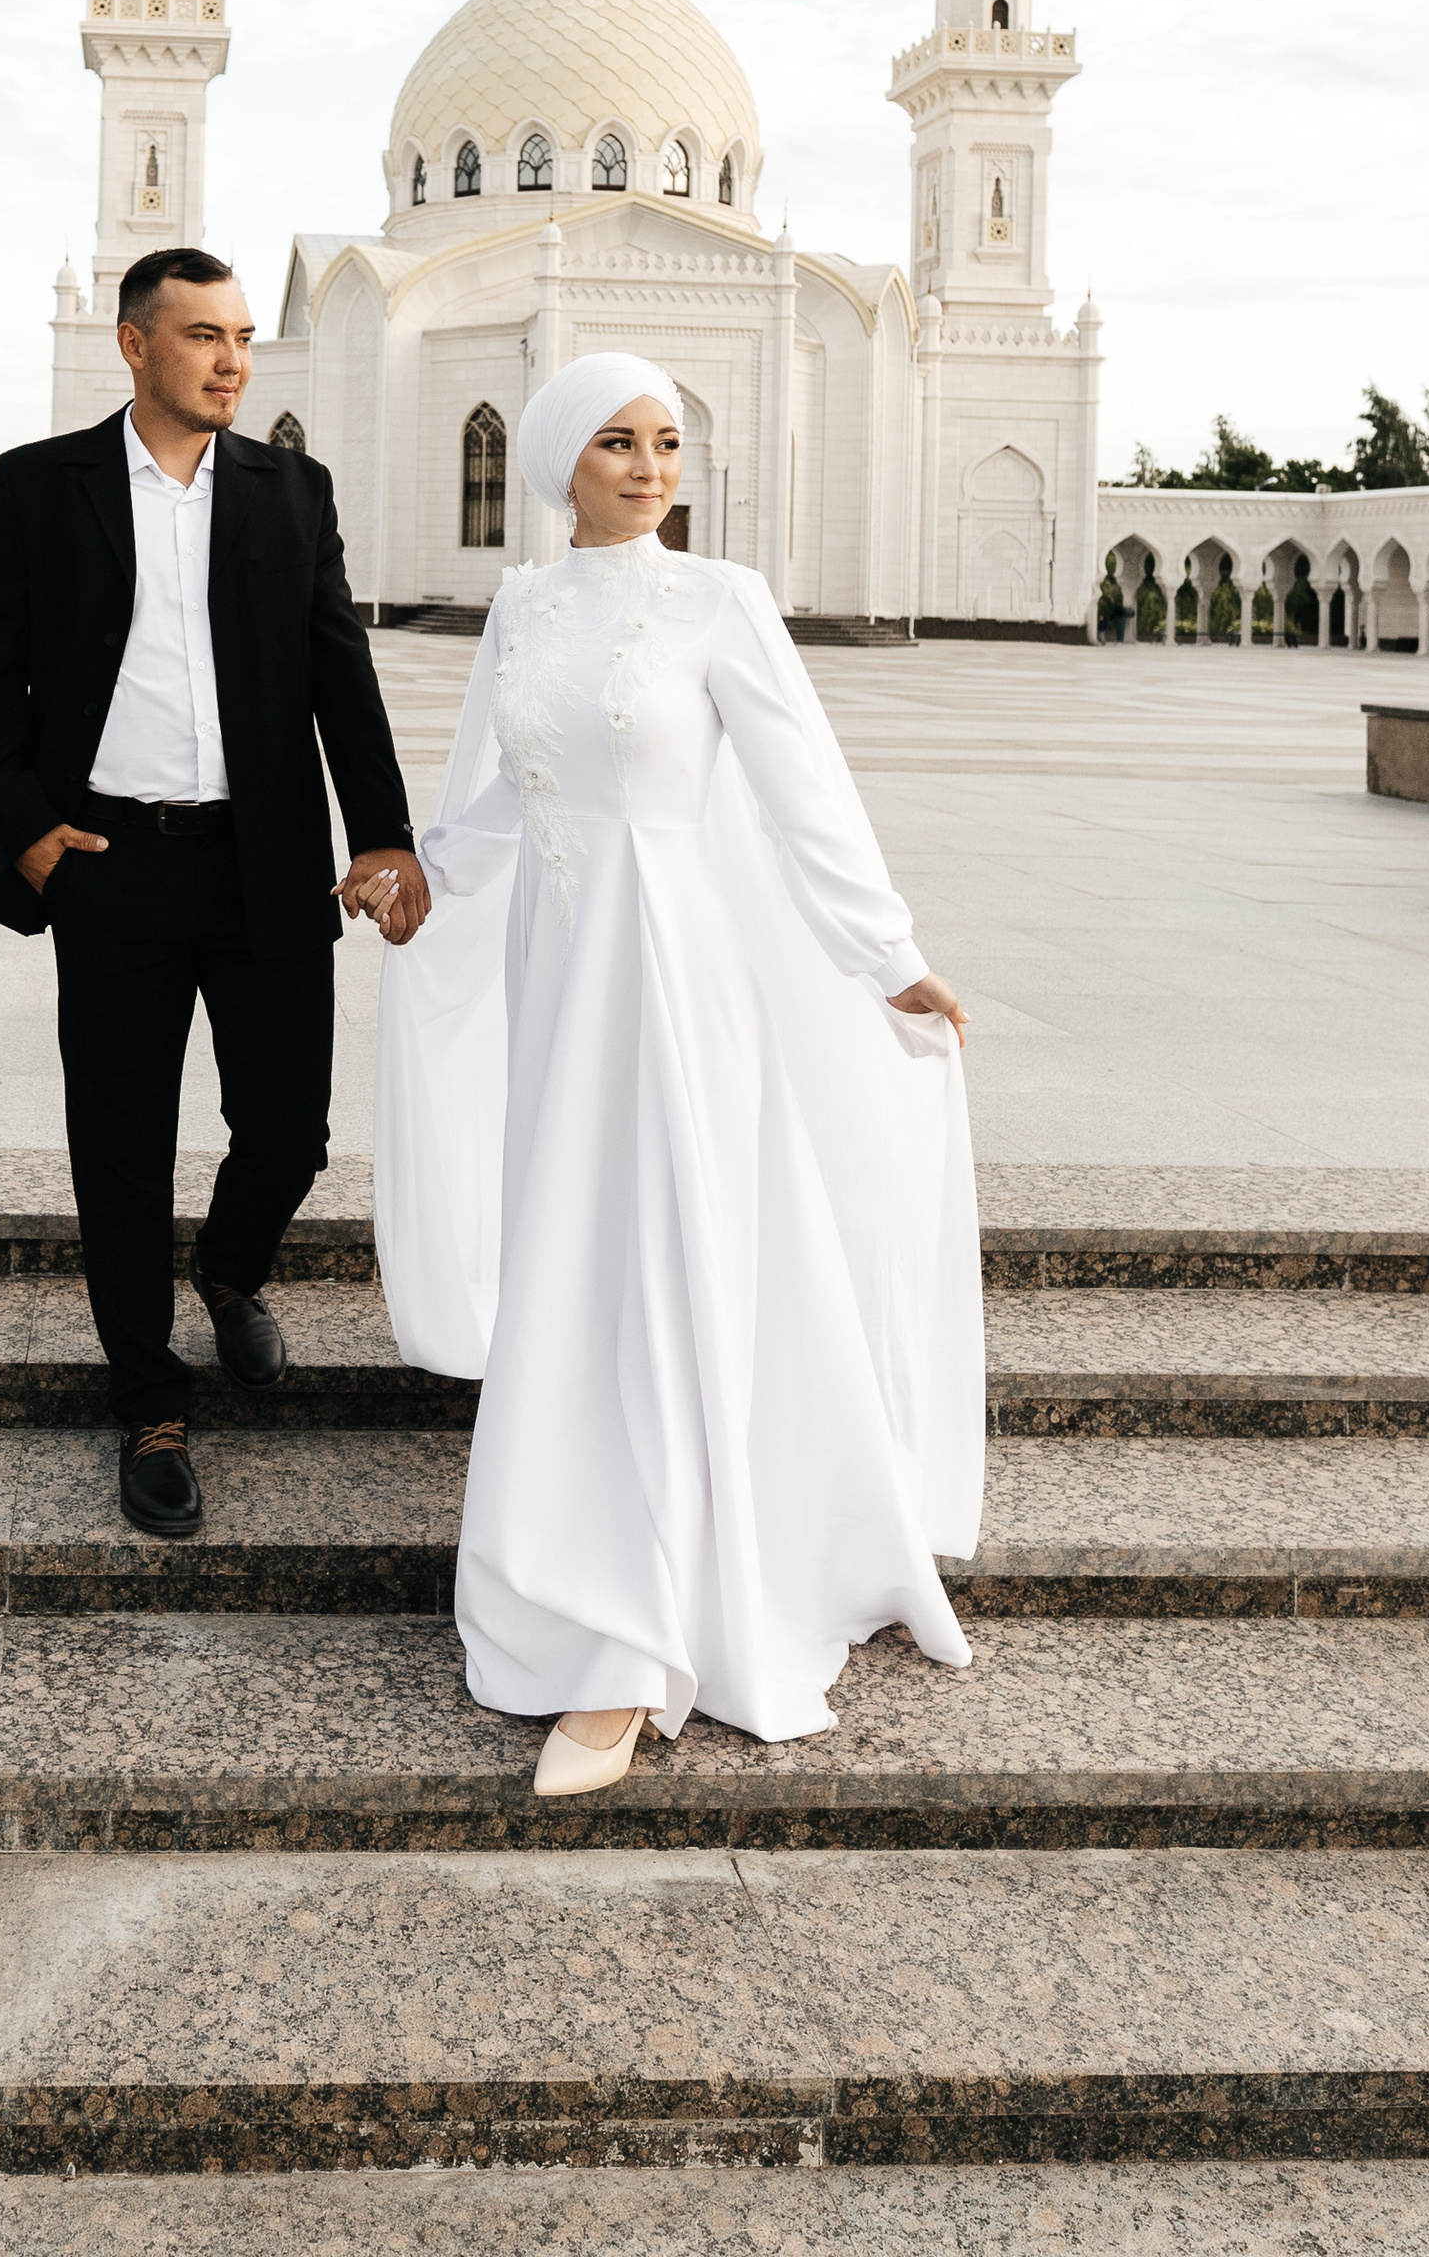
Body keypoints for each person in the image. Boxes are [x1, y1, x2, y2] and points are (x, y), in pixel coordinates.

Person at [372, 350, 984, 1795]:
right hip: (560, 974)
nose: (650, 467)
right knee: (578, 1260)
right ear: (558, 465)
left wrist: (886, 952)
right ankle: (583, 1578)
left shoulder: (723, 602)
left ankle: (644, 1641)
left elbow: (805, 794)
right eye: (616, 443)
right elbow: (482, 805)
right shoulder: (520, 608)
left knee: (666, 1254)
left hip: (676, 976)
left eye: (665, 442)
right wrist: (414, 880)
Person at [0, 245, 428, 1540]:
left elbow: (343, 678)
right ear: (134, 346)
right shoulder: (43, 486)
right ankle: (151, 1400)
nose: (233, 360)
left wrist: (384, 834)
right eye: (205, 336)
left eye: (241, 338)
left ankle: (227, 1270)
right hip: (111, 865)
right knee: (120, 1147)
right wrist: (30, 832)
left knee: (289, 1131)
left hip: (266, 862)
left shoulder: (289, 492)